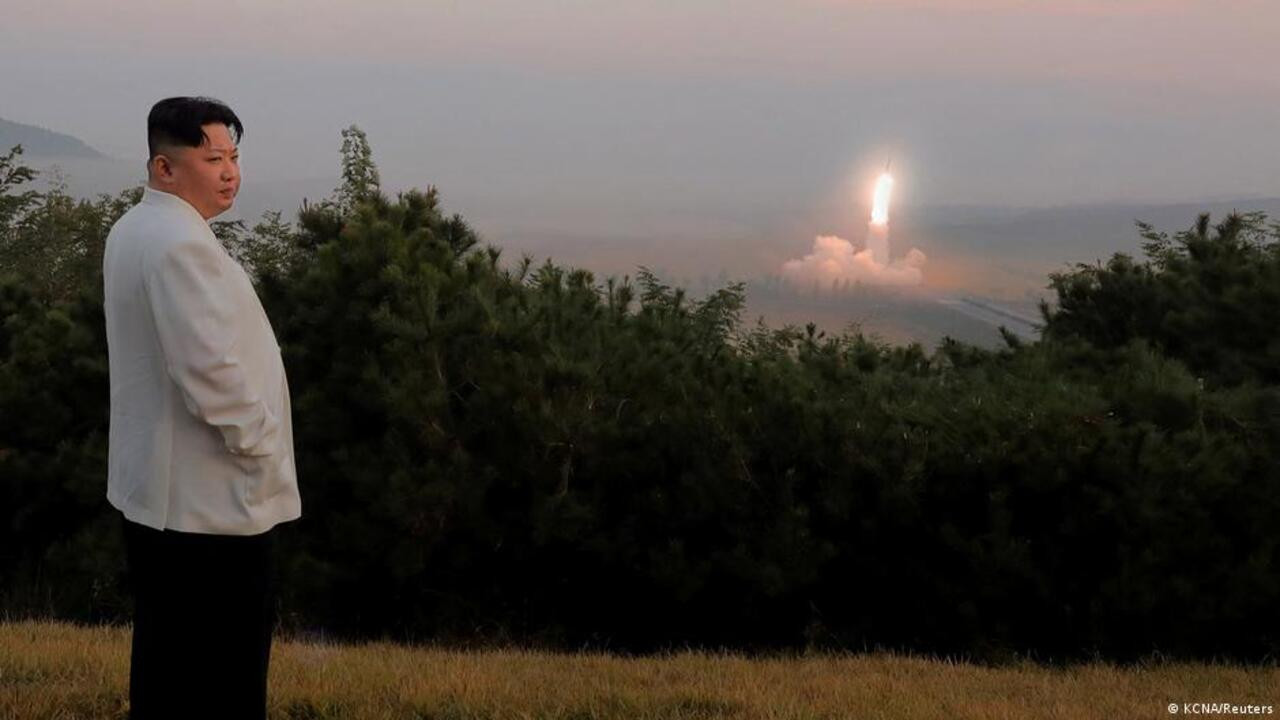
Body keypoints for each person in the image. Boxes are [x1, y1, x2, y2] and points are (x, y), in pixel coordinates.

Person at [102, 96, 301, 720]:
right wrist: (260, 442)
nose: (229, 172)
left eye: (234, 156)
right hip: (208, 502)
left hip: (163, 494)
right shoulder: (178, 245)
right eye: (213, 157)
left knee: (168, 660)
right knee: (224, 671)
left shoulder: (137, 228)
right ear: (164, 168)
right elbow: (208, 369)